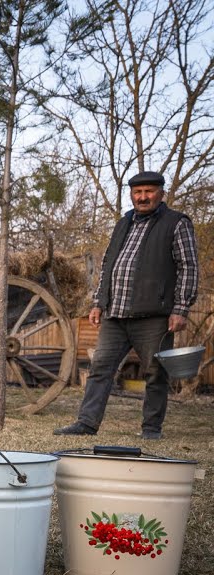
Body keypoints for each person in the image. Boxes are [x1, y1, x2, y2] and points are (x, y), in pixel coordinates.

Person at [54, 171, 199, 440]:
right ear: (131, 195)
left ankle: (151, 429)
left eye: (149, 191)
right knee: (100, 369)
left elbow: (188, 266)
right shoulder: (124, 223)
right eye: (137, 192)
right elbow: (108, 264)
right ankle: (86, 423)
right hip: (116, 314)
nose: (143, 197)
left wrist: (181, 308)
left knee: (156, 373)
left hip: (153, 316)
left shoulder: (176, 223)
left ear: (161, 194)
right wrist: (99, 302)